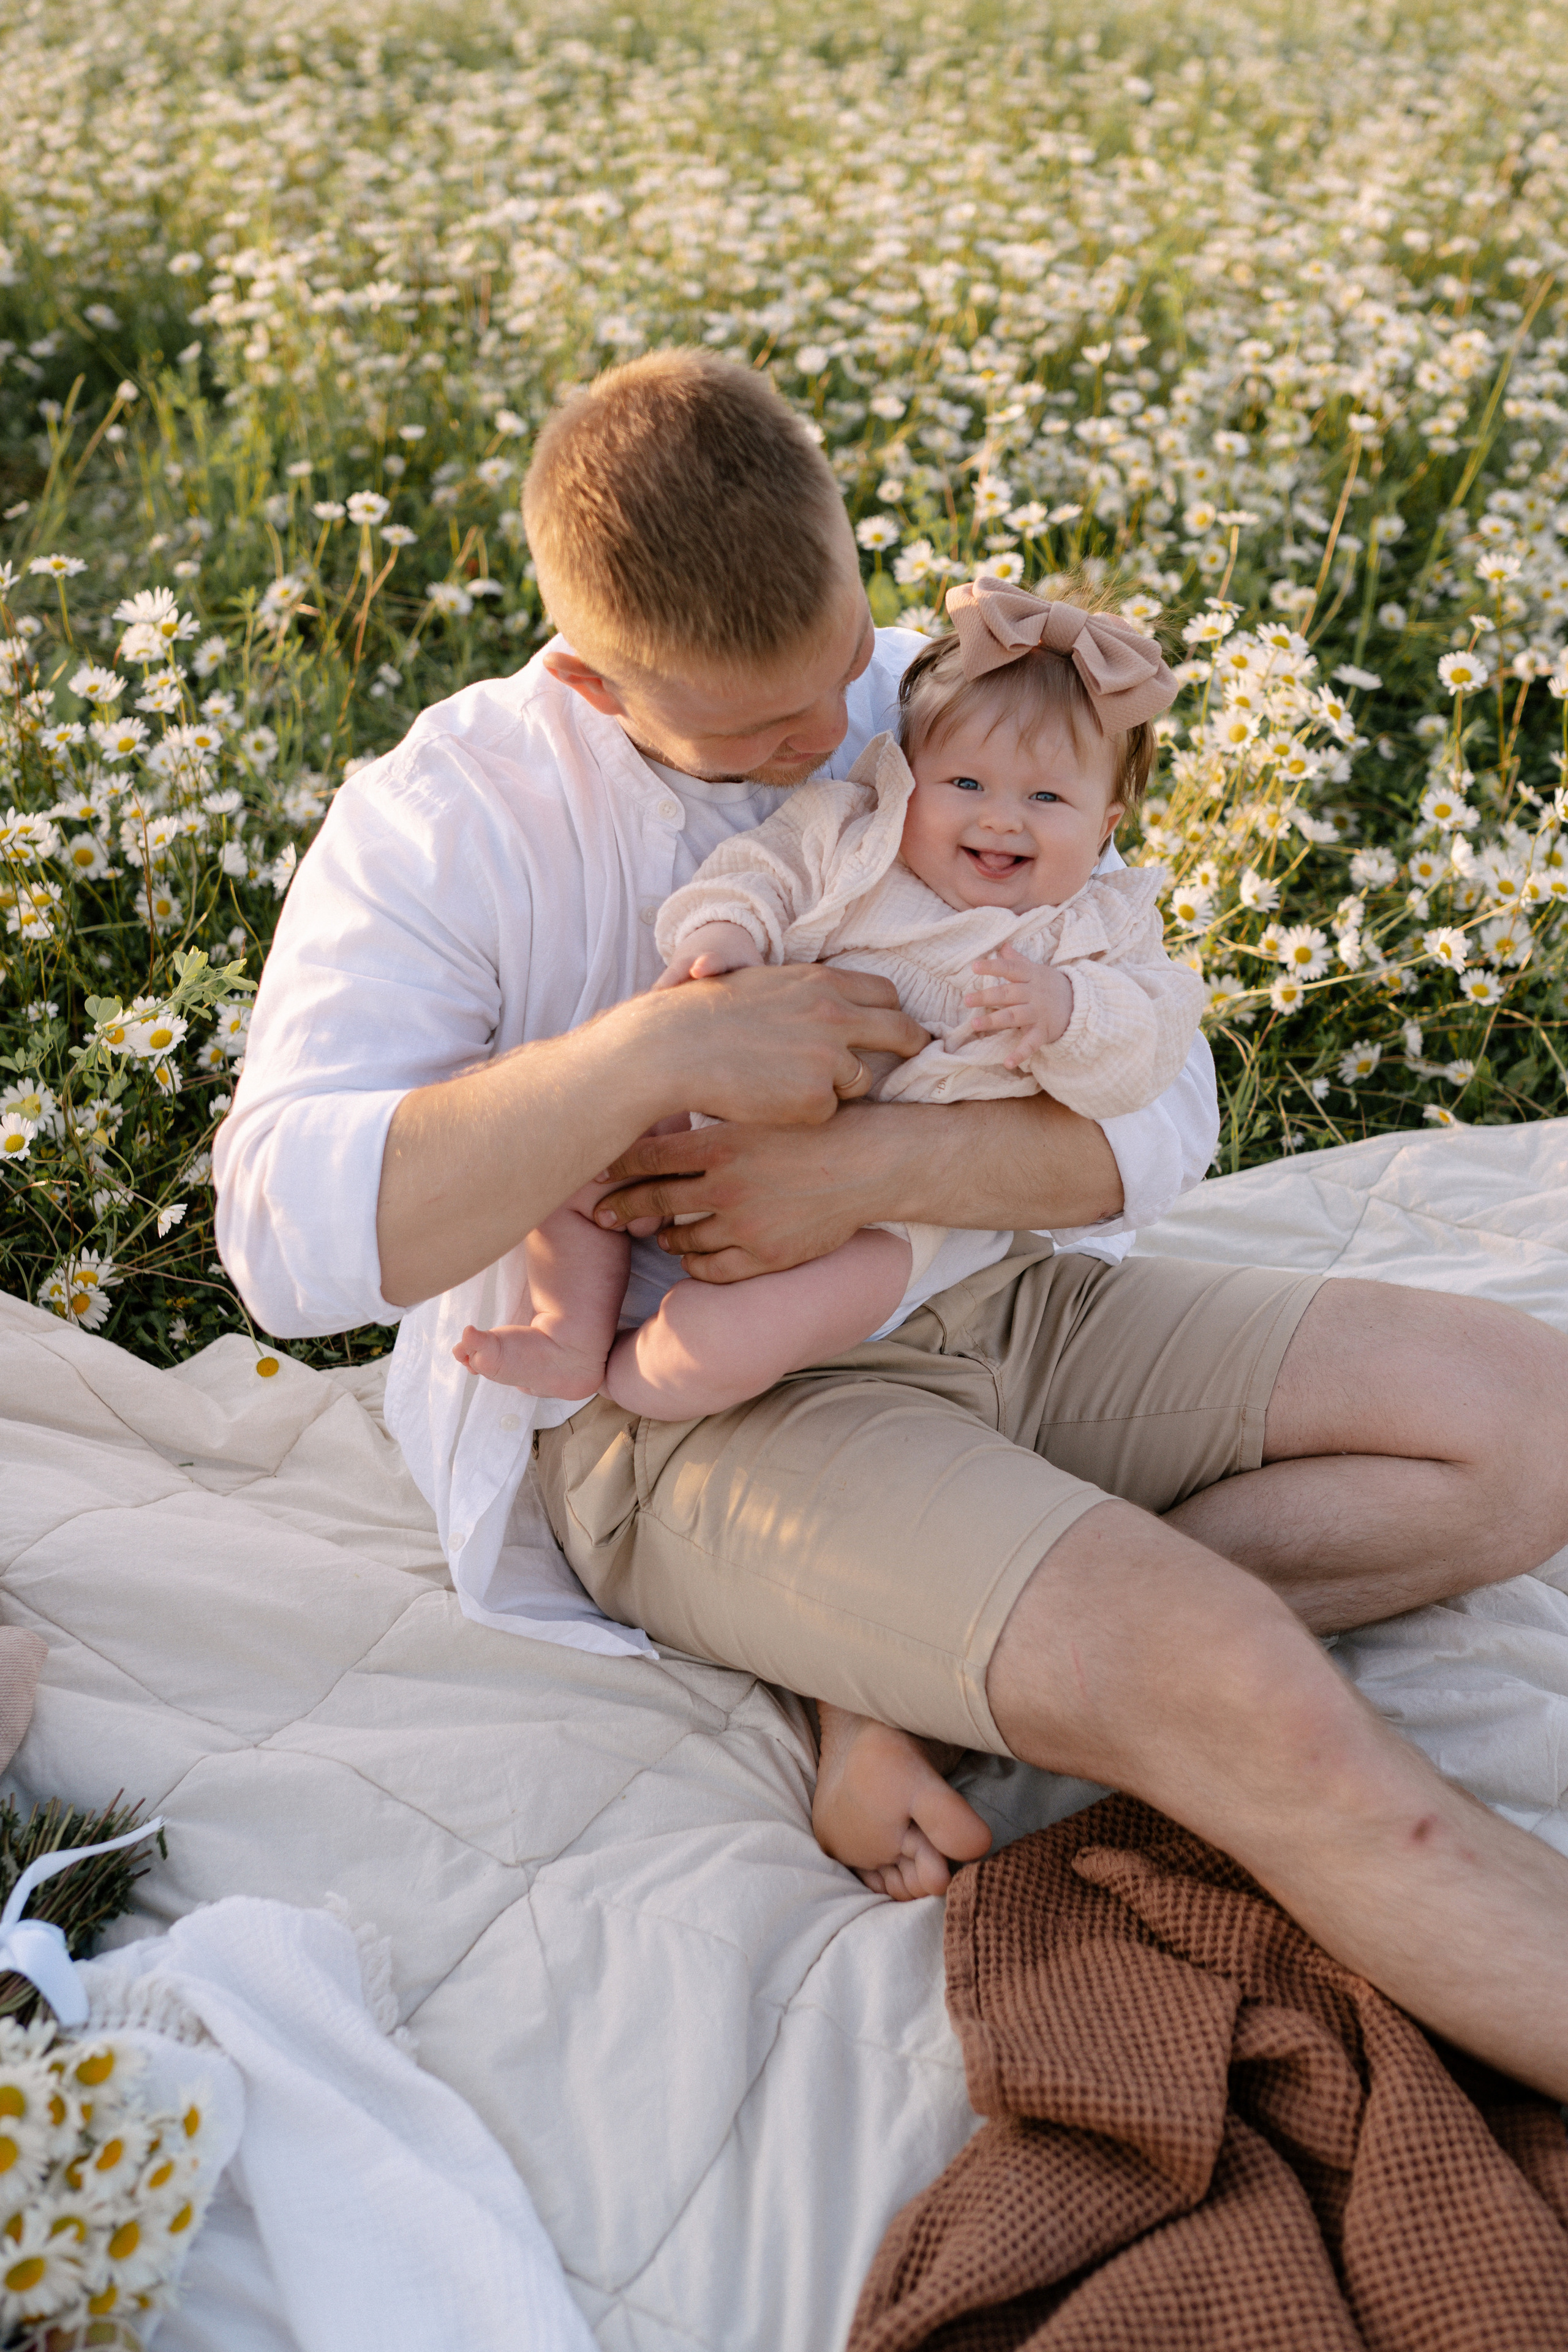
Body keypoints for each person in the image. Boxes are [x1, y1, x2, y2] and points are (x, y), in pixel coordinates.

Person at [216, 349, 1568, 2101]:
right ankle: (1081, 1647)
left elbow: (1166, 1107)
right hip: (684, 1402)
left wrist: (865, 1177)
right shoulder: (448, 816)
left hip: (992, 1296)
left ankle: (919, 1673)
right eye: (764, 733)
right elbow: (282, 1233)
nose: (832, 738)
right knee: (1237, 1678)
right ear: (586, 673)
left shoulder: (912, 701)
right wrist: (665, 1051)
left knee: (1525, 1423)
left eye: (843, 674)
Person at [451, 575, 1202, 1420]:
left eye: (1045, 798)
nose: (1001, 819)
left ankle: (661, 1378)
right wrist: (723, 939)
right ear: (907, 775)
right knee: (568, 1135)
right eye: (965, 785)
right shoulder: (852, 833)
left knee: (738, 1340)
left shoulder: (1091, 932)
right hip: (733, 1098)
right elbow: (757, 875)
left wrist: (1068, 1011)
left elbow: (1151, 1047)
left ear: (1105, 826)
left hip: (891, 1221)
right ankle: (569, 1331)